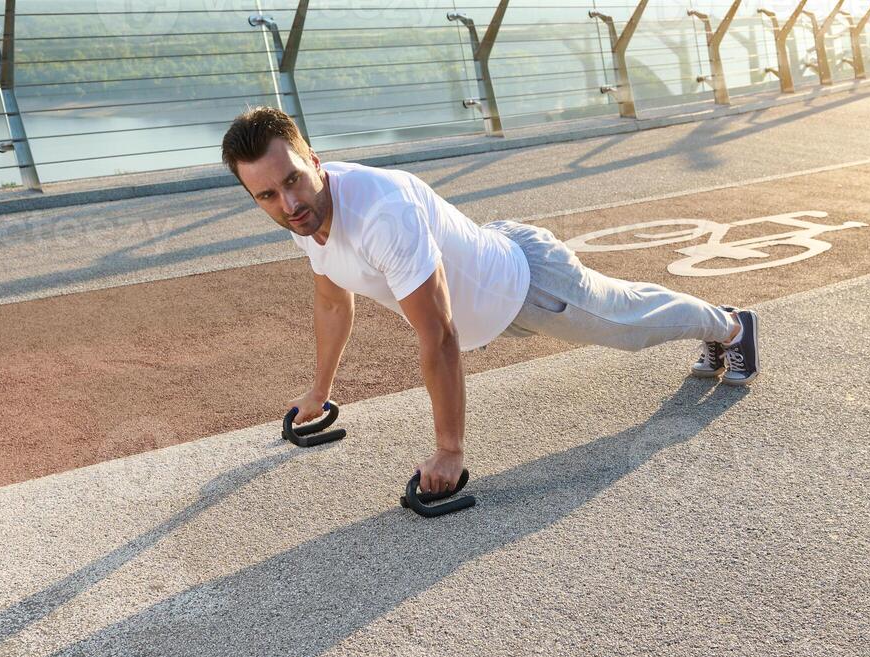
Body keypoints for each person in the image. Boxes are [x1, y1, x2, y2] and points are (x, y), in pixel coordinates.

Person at [220, 106, 759, 496]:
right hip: (488, 282)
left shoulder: (381, 213)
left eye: (294, 179)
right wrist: (319, 391)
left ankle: (731, 327)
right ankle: (720, 328)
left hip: (525, 285)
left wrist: (450, 451)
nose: (288, 202)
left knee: (629, 324)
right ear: (254, 196)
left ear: (315, 161)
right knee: (629, 319)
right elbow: (332, 300)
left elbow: (439, 334)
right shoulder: (302, 215)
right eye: (267, 194)